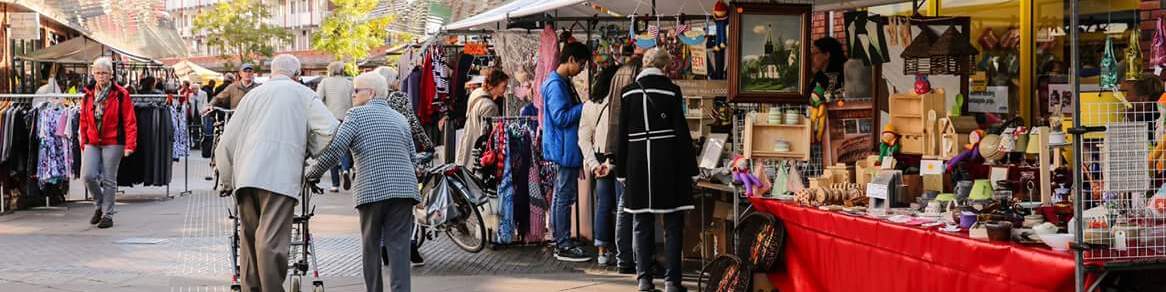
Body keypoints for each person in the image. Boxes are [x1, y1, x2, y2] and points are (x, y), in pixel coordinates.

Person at [214, 54, 338, 292]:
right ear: (297, 75)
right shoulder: (303, 94)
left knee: (249, 241)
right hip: (280, 175)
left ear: (272, 73)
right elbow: (330, 129)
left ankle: (252, 288)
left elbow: (226, 142)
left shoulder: (253, 96)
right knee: (269, 242)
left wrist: (227, 180)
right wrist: (307, 150)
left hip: (246, 175)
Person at [307, 72, 418, 292]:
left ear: (372, 93)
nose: (353, 94)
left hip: (372, 189)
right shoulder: (400, 118)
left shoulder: (356, 115)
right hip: (405, 189)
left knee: (371, 247)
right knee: (399, 249)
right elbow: (412, 156)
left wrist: (312, 173)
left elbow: (336, 150)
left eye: (357, 90)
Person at [615, 48, 697, 292]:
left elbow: (621, 136)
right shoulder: (672, 91)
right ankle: (672, 281)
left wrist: (621, 170)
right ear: (664, 68)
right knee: (672, 224)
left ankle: (644, 280)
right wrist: (691, 169)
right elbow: (682, 134)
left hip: (637, 162)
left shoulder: (628, 93)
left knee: (641, 222)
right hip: (667, 163)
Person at [579, 44, 641, 272]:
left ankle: (603, 251)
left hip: (598, 156)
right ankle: (625, 251)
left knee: (604, 205)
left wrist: (595, 165)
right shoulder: (621, 102)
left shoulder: (589, 106)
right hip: (620, 155)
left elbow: (583, 138)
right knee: (624, 205)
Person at [541, 41, 593, 262]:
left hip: (566, 148)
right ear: (570, 60)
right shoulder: (556, 84)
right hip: (564, 148)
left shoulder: (562, 82)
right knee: (564, 196)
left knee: (562, 195)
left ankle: (560, 238)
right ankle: (563, 243)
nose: (581, 68)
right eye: (580, 64)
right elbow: (561, 117)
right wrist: (586, 107)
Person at [79, 57, 139, 229]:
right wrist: (84, 141)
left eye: (104, 73)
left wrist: (130, 145)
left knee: (109, 179)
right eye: (97, 73)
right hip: (92, 140)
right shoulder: (88, 95)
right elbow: (83, 120)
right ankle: (99, 204)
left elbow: (130, 121)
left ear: (111, 74)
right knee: (88, 176)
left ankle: (108, 215)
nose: (101, 76)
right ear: (92, 73)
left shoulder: (120, 94)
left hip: (113, 141)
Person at [455, 71, 509, 168]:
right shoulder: (490, 107)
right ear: (494, 85)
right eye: (503, 86)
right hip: (478, 148)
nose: (504, 90)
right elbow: (487, 134)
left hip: (468, 140)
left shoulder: (476, 93)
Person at [317, 61, 355, 193]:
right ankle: (345, 169)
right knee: (344, 147)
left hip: (330, 120)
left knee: (332, 150)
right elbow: (353, 102)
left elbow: (318, 99)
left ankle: (335, 184)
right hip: (346, 118)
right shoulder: (349, 83)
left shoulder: (325, 82)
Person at [376, 66, 434, 153]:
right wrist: (428, 146)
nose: (399, 81)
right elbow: (413, 123)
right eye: (396, 78)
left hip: (377, 146)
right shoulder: (398, 97)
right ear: (388, 79)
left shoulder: (373, 98)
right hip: (397, 145)